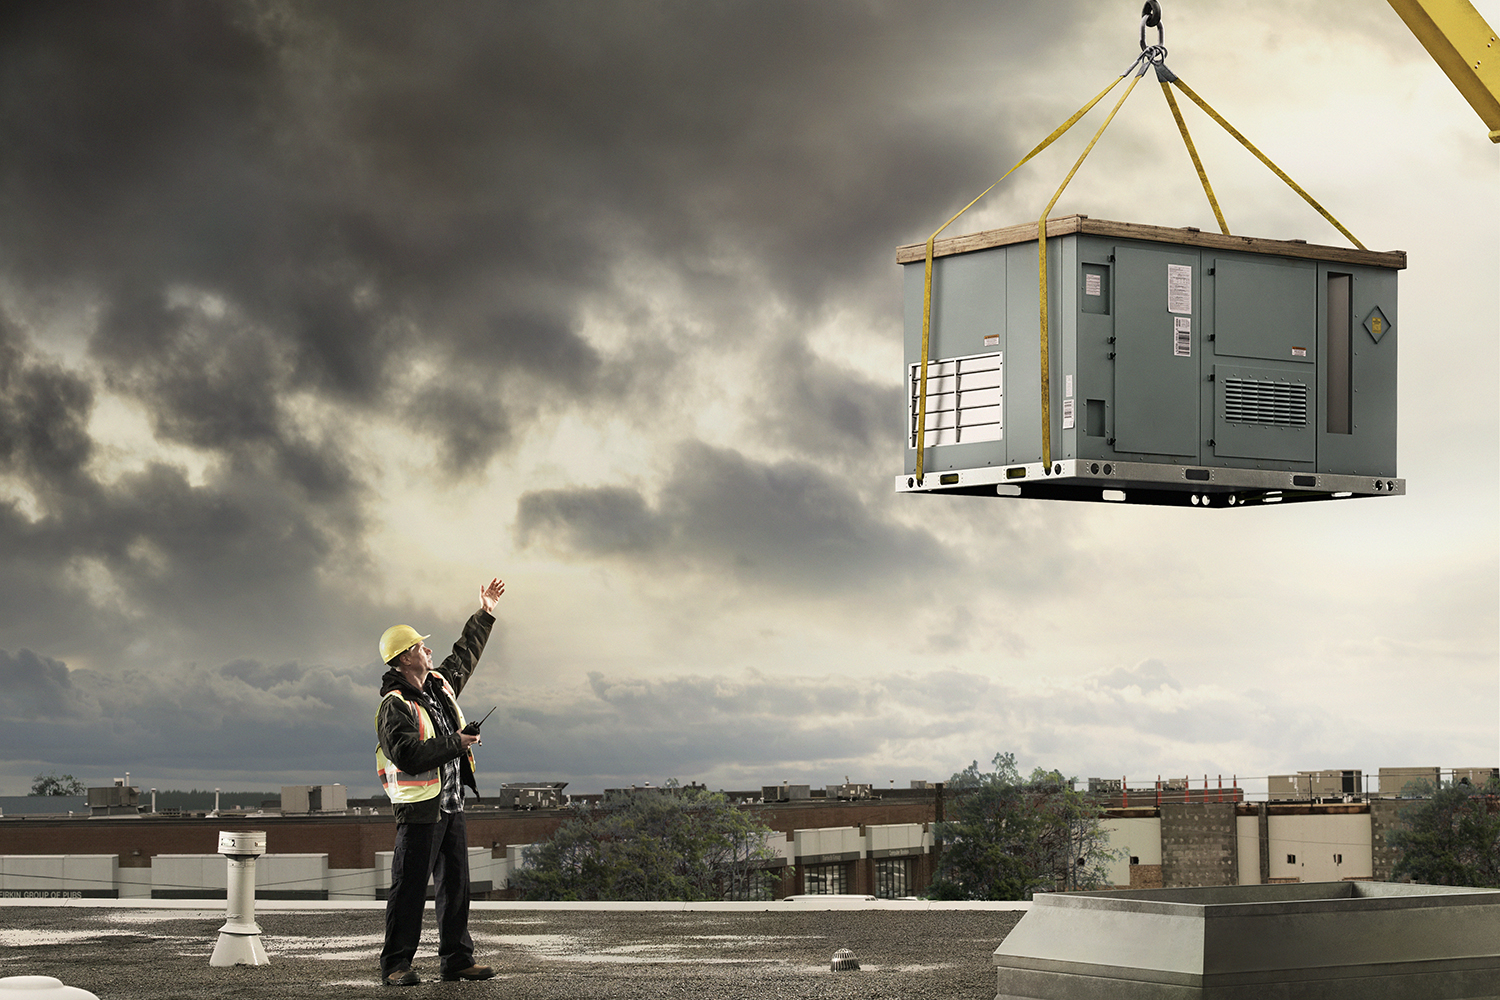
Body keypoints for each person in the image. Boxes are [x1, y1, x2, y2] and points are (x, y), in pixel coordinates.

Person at [375, 576, 505, 986]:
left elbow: (463, 656)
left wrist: (486, 612)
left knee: (456, 888)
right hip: (419, 811)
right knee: (409, 890)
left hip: (450, 806)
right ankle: (395, 965)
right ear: (403, 659)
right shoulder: (393, 706)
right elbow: (408, 755)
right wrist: (457, 742)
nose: (428, 650)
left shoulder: (437, 686)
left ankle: (456, 959)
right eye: (419, 646)